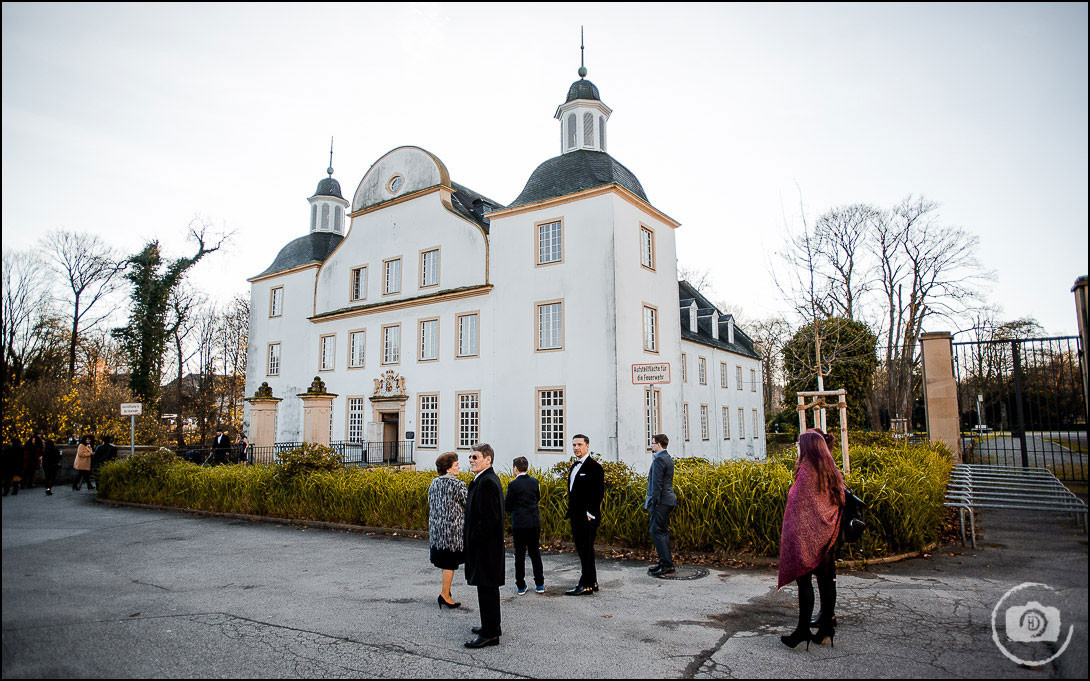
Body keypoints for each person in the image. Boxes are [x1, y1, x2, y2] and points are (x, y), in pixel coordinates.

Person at [777, 429, 845, 650]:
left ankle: (803, 630)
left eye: (800, 444)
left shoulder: (807, 471)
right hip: (827, 535)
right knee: (826, 581)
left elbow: (799, 504)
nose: (798, 447)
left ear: (807, 447)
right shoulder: (829, 468)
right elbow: (836, 500)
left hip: (808, 538)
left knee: (804, 581)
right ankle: (826, 627)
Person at [463, 443, 505, 648]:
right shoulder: (484, 479)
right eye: (470, 457)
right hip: (486, 546)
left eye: (475, 457)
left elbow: (489, 519)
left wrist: (474, 540)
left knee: (487, 588)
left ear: (488, 460)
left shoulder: (487, 482)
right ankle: (490, 626)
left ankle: (490, 633)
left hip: (486, 547)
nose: (471, 460)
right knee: (486, 588)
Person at [564, 434, 604, 596]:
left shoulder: (595, 467)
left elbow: (598, 493)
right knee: (584, 550)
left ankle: (585, 584)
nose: (576, 448)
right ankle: (592, 581)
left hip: (587, 517)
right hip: (576, 515)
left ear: (587, 446)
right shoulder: (575, 466)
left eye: (580, 444)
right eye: (574, 445)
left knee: (585, 550)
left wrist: (590, 513)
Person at [427, 452, 467, 610]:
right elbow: (468, 503)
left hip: (437, 531)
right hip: (452, 532)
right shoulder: (457, 485)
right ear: (449, 469)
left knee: (445, 563)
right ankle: (445, 594)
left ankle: (446, 592)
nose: (459, 467)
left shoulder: (434, 483)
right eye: (456, 465)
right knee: (449, 563)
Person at [504, 456, 544, 595]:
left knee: (519, 554)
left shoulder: (513, 485)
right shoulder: (535, 481)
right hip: (533, 521)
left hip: (520, 523)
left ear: (515, 468)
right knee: (535, 553)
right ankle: (540, 584)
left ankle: (521, 585)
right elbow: (537, 497)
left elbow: (507, 504)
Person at [645, 433, 677, 577]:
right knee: (662, 531)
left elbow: (656, 484)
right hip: (668, 500)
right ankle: (664, 562)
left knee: (656, 531)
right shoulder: (667, 458)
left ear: (658, 444)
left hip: (661, 501)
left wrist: (654, 502)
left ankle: (666, 565)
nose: (651, 445)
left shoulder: (659, 460)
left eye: (652, 443)